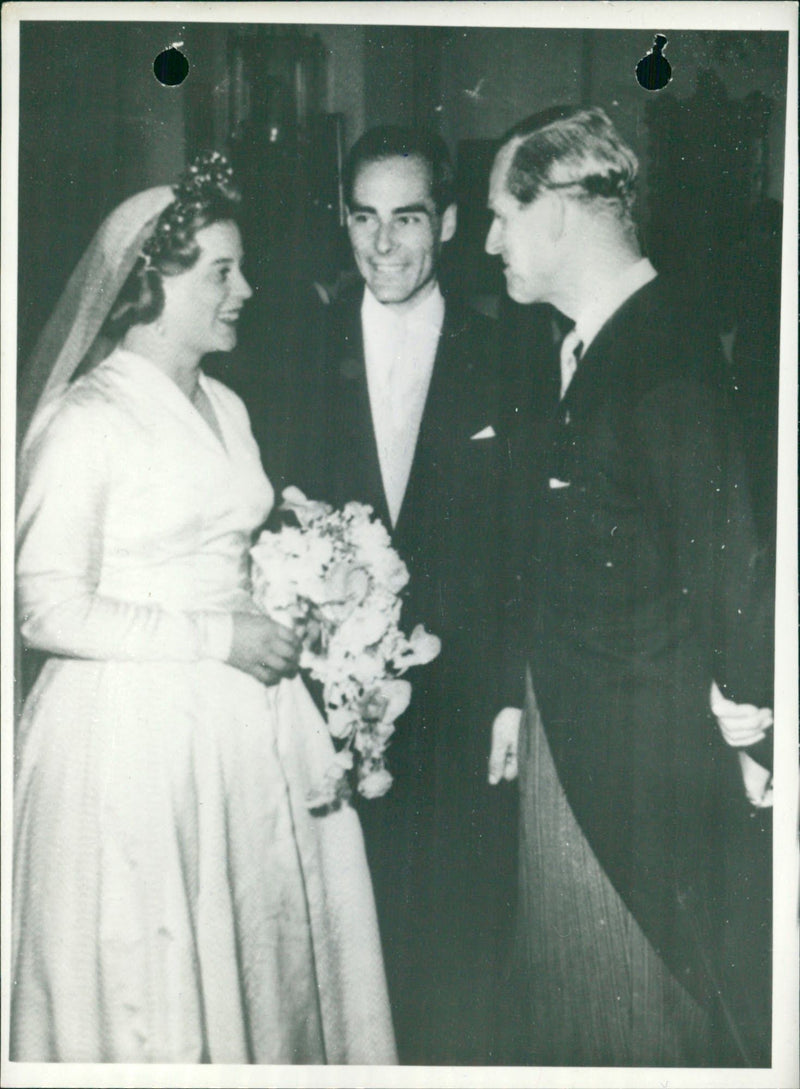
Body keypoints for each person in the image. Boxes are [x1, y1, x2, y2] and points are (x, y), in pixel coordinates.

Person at [11, 152, 396, 1065]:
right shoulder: (85, 420)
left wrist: (308, 608)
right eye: (223, 271)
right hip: (130, 738)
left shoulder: (225, 402)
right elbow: (44, 608)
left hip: (241, 723)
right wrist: (220, 635)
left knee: (263, 958)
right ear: (153, 282)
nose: (246, 290)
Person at [484, 107, 774, 1067]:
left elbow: (732, 574)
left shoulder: (662, 353)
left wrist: (758, 734)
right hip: (589, 764)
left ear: (559, 213)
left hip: (644, 793)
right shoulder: (593, 343)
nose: (490, 242)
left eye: (501, 216)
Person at [263, 125, 522, 1064]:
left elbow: (523, 545)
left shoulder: (511, 350)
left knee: (455, 967)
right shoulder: (296, 349)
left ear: (447, 223)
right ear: (343, 220)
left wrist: (508, 693)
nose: (382, 244)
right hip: (335, 719)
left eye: (405, 218)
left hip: (463, 717)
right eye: (363, 217)